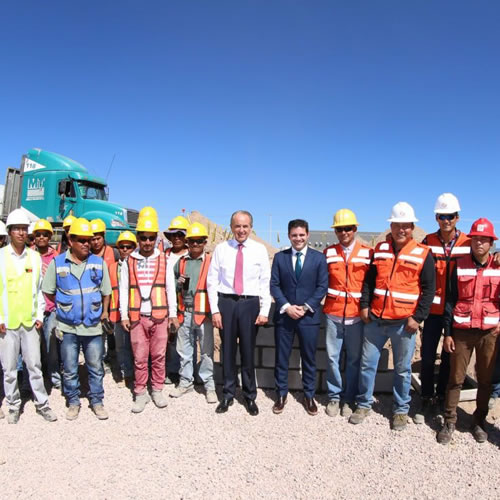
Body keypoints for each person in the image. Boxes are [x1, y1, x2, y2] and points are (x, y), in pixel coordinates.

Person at [350, 202, 435, 430]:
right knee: (367, 365)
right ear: (391, 226)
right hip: (376, 320)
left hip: (404, 324)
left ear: (412, 227)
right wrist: (365, 305)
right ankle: (364, 404)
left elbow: (429, 290)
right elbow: (369, 281)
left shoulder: (423, 254)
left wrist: (418, 317)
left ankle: (400, 410)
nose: (401, 230)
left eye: (406, 226)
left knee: (402, 369)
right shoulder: (380, 250)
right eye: (397, 225)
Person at [437, 218, 500, 444]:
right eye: (476, 239)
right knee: (455, 378)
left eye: (484, 240)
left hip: (488, 333)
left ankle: (479, 422)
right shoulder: (459, 265)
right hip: (462, 332)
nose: (479, 243)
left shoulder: (498, 266)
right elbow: (450, 301)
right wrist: (448, 333)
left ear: (491, 243)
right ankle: (449, 420)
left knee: (485, 380)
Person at [42, 218, 111, 420]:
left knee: (96, 366)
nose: (86, 244)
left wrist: (104, 312)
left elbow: (106, 291)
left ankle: (97, 401)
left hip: (92, 326)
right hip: (68, 326)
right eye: (81, 240)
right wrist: (65, 305)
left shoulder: (98, 263)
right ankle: (73, 402)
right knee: (70, 368)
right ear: (70, 240)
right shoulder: (58, 263)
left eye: (88, 240)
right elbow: (48, 291)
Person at [207, 210, 271, 416]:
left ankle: (249, 395)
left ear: (251, 228)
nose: (241, 230)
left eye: (245, 226)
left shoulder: (259, 250)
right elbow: (212, 281)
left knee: (247, 351)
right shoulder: (221, 249)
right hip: (226, 303)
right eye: (237, 226)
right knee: (227, 351)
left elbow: (265, 282)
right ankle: (227, 394)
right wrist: (215, 310)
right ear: (231, 227)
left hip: (249, 304)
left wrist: (264, 310)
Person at [414, 193, 470, 424]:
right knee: (427, 357)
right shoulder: (427, 242)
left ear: (457, 218)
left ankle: (442, 397)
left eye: (450, 216)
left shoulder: (467, 243)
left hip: (457, 312)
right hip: (432, 313)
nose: (446, 220)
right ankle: (426, 396)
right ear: (436, 218)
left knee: (449, 358)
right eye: (441, 216)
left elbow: (483, 260)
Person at [0, 208, 57, 424]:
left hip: (30, 323)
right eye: (17, 229)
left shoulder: (34, 258)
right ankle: (14, 405)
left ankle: (42, 404)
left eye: (24, 229)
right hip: (7, 324)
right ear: (9, 232)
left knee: (34, 366)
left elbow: (40, 290)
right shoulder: (1, 257)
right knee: (10, 368)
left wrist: (40, 315)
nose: (22, 233)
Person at [119, 216, 178, 413]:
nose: (147, 242)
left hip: (160, 316)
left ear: (155, 238)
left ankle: (157, 389)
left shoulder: (164, 259)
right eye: (143, 238)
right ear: (138, 238)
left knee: (159, 355)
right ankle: (140, 392)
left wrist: (173, 314)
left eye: (150, 238)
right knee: (140, 356)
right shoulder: (129, 261)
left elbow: (170, 287)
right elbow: (124, 288)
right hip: (137, 317)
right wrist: (124, 315)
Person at [270, 219, 328, 415]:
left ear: (308, 235)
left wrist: (305, 307)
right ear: (289, 236)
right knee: (281, 358)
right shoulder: (280, 258)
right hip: (285, 317)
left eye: (302, 235)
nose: (298, 238)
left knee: (309, 358)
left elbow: (322, 287)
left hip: (308, 318)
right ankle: (281, 394)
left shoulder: (319, 259)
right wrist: (287, 307)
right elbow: (274, 285)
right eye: (294, 235)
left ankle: (309, 395)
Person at [323, 209, 372, 418]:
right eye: (340, 229)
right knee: (332, 358)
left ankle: (348, 398)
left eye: (348, 229)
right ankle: (334, 396)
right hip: (333, 314)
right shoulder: (328, 253)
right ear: (335, 231)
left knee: (354, 359)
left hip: (356, 316)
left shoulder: (368, 253)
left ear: (355, 229)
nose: (344, 233)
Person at [169, 222, 217, 403]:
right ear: (187, 242)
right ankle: (186, 381)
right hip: (185, 312)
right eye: (192, 241)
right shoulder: (181, 263)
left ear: (205, 242)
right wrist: (178, 283)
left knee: (206, 351)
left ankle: (208, 385)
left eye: (199, 241)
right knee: (184, 350)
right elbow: (170, 287)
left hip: (204, 314)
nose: (195, 244)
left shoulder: (211, 261)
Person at [33, 219, 61, 390]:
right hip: (33, 309)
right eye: (38, 234)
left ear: (50, 236)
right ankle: (35, 378)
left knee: (51, 347)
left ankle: (55, 377)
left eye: (45, 234)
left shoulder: (56, 258)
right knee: (33, 347)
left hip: (51, 308)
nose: (42, 237)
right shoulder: (28, 255)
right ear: (34, 237)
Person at [163, 215, 189, 385]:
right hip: (163, 303)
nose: (177, 238)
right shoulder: (163, 255)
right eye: (174, 235)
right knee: (167, 339)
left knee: (185, 341)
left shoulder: (191, 255)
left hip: (184, 304)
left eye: (180, 234)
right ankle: (170, 370)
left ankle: (186, 373)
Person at [109, 230, 137, 388]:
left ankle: (137, 373)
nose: (125, 249)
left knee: (136, 344)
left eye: (129, 246)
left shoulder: (138, 266)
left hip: (134, 313)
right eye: (122, 247)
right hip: (117, 314)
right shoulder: (111, 268)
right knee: (120, 345)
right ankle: (125, 372)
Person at [90, 218, 118, 367]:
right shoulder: (87, 254)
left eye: (98, 238)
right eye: (92, 239)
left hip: (112, 296)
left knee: (111, 328)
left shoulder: (113, 252)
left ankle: (112, 355)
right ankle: (98, 357)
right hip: (95, 297)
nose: (95, 242)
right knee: (98, 329)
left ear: (103, 236)